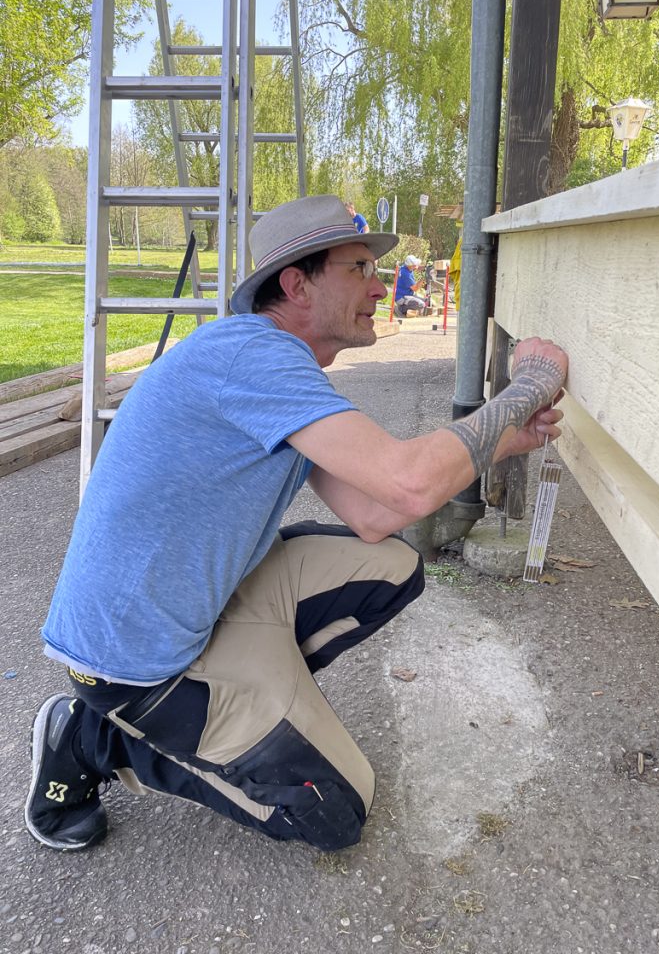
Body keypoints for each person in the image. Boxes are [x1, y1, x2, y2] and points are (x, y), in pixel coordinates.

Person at [25, 194, 567, 854]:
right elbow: (408, 479)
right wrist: (529, 384)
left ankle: (251, 708)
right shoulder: (251, 357)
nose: (379, 286)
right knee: (333, 815)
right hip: (131, 663)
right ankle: (93, 739)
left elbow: (376, 513)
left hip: (202, 610)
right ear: (295, 283)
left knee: (393, 569)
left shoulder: (277, 369)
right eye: (359, 268)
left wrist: (506, 442)